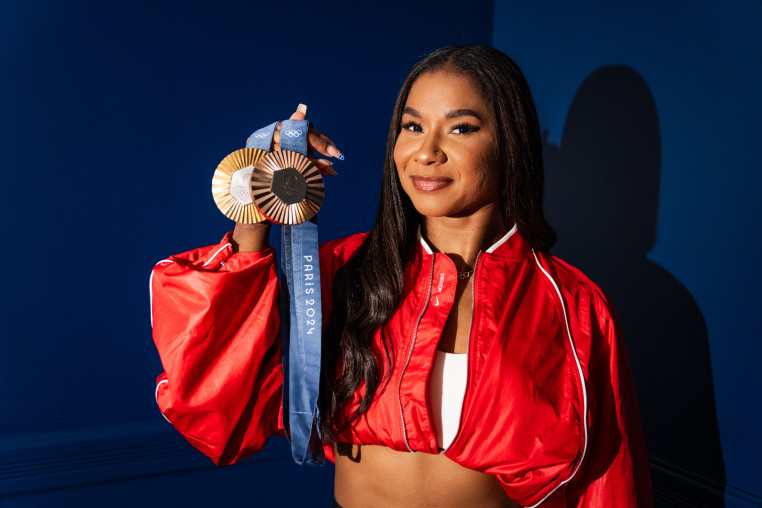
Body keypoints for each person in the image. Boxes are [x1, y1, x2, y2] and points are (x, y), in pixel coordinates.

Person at [150, 45, 653, 507]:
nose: (426, 151)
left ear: (510, 142)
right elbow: (211, 388)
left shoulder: (573, 307)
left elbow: (609, 487)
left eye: (461, 128)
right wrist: (256, 194)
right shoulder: (338, 273)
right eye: (412, 127)